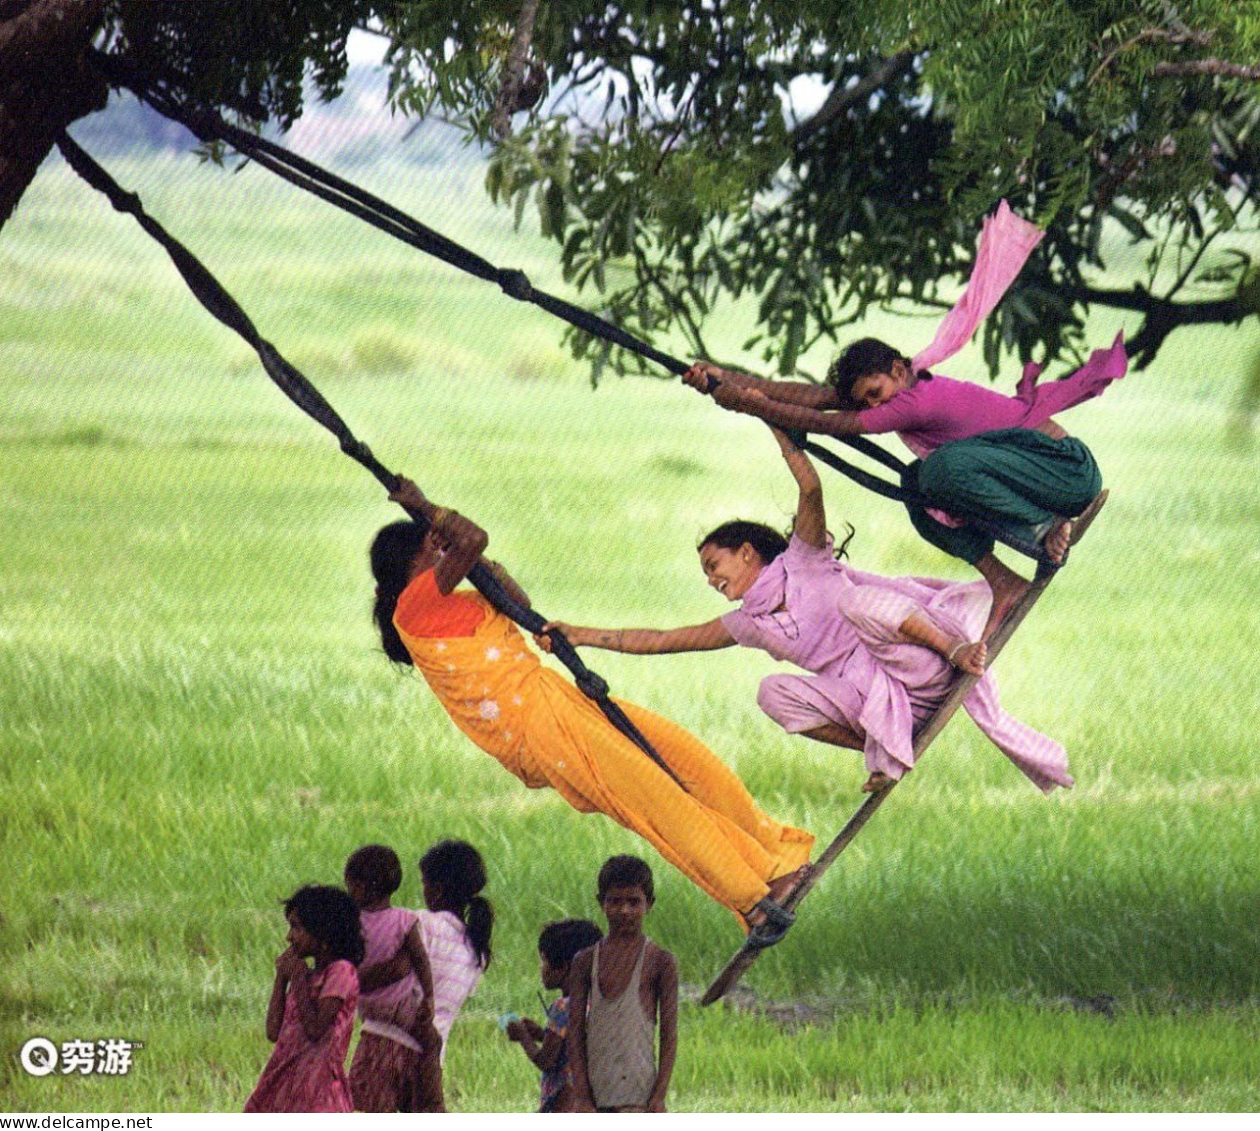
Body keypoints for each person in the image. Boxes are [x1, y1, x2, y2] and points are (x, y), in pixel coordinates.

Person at [369, 480, 812, 933]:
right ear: (412, 562)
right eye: (434, 550)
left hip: (561, 702)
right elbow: (473, 538)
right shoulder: (413, 607)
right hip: (539, 726)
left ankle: (777, 862)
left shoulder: (458, 598)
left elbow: (514, 598)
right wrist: (425, 508)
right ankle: (752, 898)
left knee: (685, 760)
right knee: (658, 801)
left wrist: (460, 550)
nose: (446, 557)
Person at [548, 425, 1073, 794]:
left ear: (748, 553)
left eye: (715, 564)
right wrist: (578, 634)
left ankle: (957, 649)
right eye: (706, 573)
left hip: (922, 662)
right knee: (771, 693)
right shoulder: (747, 624)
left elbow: (810, 486)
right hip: (876, 702)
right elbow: (663, 640)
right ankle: (883, 748)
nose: (711, 579)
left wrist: (775, 425)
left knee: (855, 601)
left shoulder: (806, 558)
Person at [680, 200, 1125, 634]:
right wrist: (727, 380)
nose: (874, 408)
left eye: (875, 394)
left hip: (1067, 474)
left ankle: (1046, 527)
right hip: (1035, 478)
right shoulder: (899, 391)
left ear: (898, 371)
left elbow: (830, 423)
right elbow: (813, 399)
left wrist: (745, 402)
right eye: (865, 401)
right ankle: (1003, 582)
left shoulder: (919, 400)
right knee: (915, 485)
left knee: (940, 471)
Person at [360, 838, 494, 1112]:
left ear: (437, 890)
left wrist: (352, 980)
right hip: (430, 1060)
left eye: (424, 883)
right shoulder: (477, 952)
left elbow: (396, 968)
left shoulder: (420, 924)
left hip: (384, 1044)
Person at [567, 856, 678, 1113]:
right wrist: (582, 1096)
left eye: (633, 902)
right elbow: (575, 1032)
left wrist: (659, 1096)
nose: (624, 910)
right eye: (615, 901)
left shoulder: (660, 961)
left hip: (638, 1095)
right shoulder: (584, 961)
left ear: (649, 904)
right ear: (601, 903)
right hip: (596, 1094)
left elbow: (669, 1035)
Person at [245, 885, 364, 1113]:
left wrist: (298, 978)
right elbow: (273, 1031)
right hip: (286, 1082)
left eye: (297, 927)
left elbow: (316, 1029)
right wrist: (281, 978)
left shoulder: (341, 972)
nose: (289, 937)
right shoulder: (307, 977)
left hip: (319, 1090)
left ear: (323, 932)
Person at [343, 844, 439, 1112]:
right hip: (398, 1013)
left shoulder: (354, 923)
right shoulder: (403, 920)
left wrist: (429, 996)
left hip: (379, 1014)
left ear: (361, 886)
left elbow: (419, 959)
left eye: (350, 885)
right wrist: (429, 996)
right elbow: (420, 960)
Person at [506, 918, 605, 1112]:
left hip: (563, 1099)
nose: (542, 969)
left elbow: (547, 1061)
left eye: (544, 961)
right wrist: (542, 1034)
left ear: (565, 967)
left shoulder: (563, 1007)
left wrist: (524, 1037)